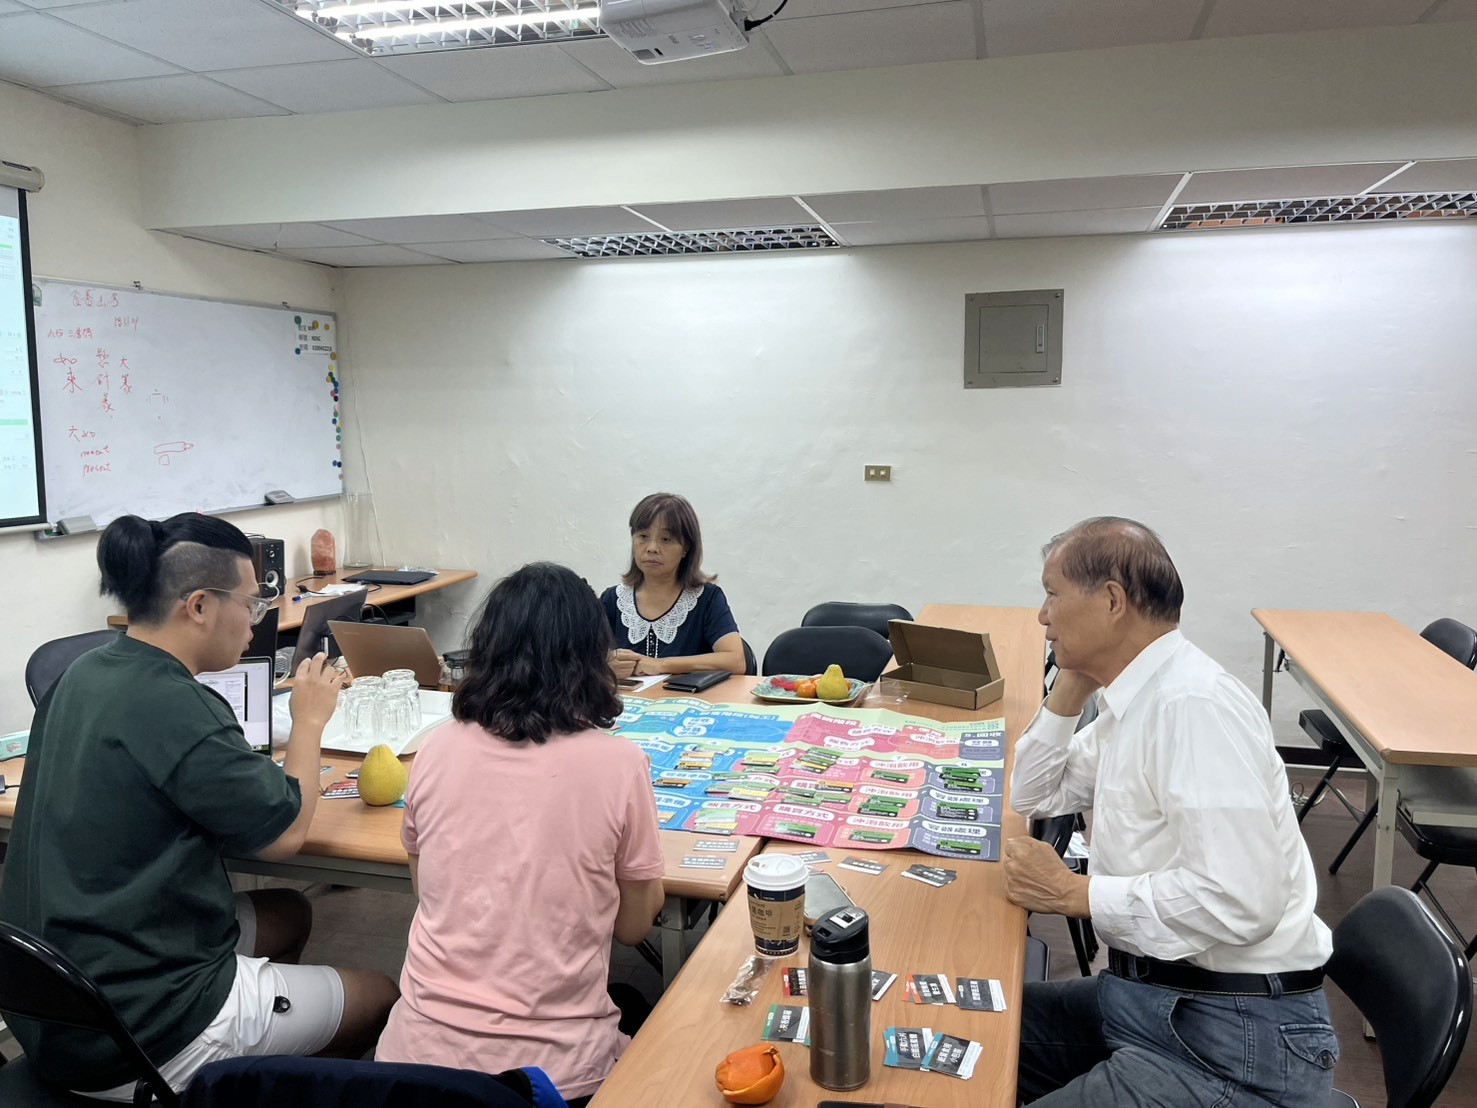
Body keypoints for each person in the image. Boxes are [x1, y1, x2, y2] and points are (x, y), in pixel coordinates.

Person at [0, 513, 399, 1100]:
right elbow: (285, 834)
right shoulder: (177, 703)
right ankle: (221, 1071)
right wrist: (310, 720)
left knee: (289, 911)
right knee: (382, 997)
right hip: (138, 1026)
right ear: (200, 606)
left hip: (55, 993)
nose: (255, 620)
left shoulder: (82, 673)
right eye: (252, 603)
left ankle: (245, 1070)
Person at [1005, 517, 1337, 1107]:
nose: (1042, 616)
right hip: (1154, 996)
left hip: (1237, 1036)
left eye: (1052, 594)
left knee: (982, 1048)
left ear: (1112, 601)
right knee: (971, 1027)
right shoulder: (1138, 697)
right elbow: (1034, 795)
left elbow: (1240, 900)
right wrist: (1069, 689)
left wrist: (1074, 893)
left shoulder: (1193, 706)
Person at [375, 562, 666, 1104]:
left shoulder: (434, 749)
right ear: (593, 657)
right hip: (553, 1078)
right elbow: (632, 928)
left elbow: (428, 891)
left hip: (412, 1070)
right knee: (653, 1016)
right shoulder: (620, 764)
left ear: (487, 648)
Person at [600, 492, 746, 676]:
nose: (652, 548)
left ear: (686, 548)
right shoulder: (613, 600)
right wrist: (604, 664)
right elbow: (578, 658)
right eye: (643, 536)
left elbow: (736, 661)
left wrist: (661, 665)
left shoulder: (707, 599)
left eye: (666, 539)